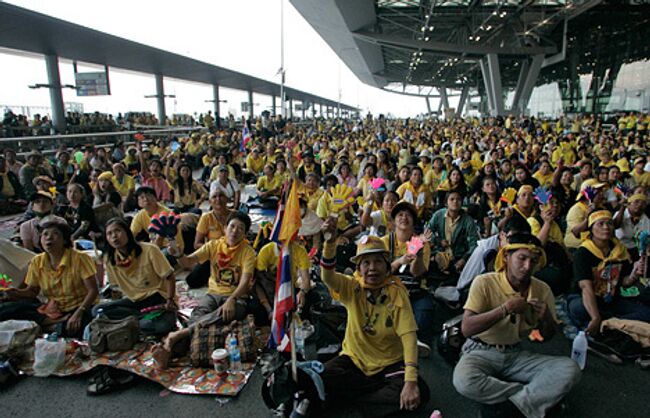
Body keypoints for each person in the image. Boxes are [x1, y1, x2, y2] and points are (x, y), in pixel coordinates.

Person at [453, 233, 581, 418]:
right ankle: (532, 396)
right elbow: (467, 328)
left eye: (533, 261)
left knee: (570, 369)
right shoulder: (485, 282)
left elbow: (546, 337)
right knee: (464, 380)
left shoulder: (542, 289)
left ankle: (511, 407)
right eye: (522, 258)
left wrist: (546, 318)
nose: (527, 266)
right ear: (506, 257)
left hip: (515, 353)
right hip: (480, 350)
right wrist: (504, 309)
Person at [318, 219, 430, 417]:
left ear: (387, 266)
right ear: (359, 269)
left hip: (390, 365)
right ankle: (370, 405)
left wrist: (410, 381)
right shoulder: (352, 287)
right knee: (323, 376)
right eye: (366, 262)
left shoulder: (397, 292)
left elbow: (409, 337)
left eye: (378, 261)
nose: (372, 268)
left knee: (420, 392)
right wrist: (329, 243)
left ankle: (354, 403)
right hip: (355, 361)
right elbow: (327, 277)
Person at [0, 217, 98, 338]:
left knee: (81, 327)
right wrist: (13, 293)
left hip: (80, 307)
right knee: (8, 309)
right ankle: (51, 324)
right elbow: (32, 292)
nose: (49, 238)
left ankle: (50, 326)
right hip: (53, 309)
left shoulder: (80, 259)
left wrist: (79, 312)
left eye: (55, 234)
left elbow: (93, 290)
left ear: (64, 240)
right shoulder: (37, 261)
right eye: (45, 234)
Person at [567, 210, 650, 334]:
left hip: (610, 299)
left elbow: (623, 283)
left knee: (646, 313)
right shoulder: (583, 253)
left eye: (610, 223)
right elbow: (586, 287)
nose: (606, 227)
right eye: (600, 224)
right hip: (585, 298)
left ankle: (610, 324)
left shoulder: (620, 251)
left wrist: (634, 274)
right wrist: (595, 316)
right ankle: (610, 322)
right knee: (579, 308)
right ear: (591, 228)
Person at [93, 218, 177, 336]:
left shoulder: (149, 250)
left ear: (127, 232)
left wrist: (170, 299)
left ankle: (132, 324)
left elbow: (170, 276)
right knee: (98, 310)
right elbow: (115, 290)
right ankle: (135, 322)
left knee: (160, 325)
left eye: (118, 231)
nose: (114, 236)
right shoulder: (110, 259)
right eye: (109, 233)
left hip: (158, 299)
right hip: (134, 303)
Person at [381, 201, 434, 353]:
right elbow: (380, 273)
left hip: (415, 291)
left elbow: (417, 273)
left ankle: (416, 342)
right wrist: (399, 261)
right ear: (393, 220)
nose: (404, 218)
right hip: (390, 289)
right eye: (400, 215)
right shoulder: (384, 242)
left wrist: (417, 254)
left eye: (408, 215)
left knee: (425, 309)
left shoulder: (421, 242)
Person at [426, 190, 479, 283]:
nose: (455, 202)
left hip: (458, 257)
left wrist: (464, 259)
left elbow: (474, 243)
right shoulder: (439, 215)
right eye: (452, 199)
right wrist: (438, 241)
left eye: (458, 199)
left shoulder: (468, 220)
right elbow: (427, 231)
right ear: (446, 203)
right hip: (440, 254)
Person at [185, 188, 232, 288]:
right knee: (192, 281)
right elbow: (197, 244)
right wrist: (214, 251)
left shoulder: (235, 216)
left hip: (234, 254)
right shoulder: (206, 218)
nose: (218, 199)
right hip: (213, 256)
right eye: (214, 197)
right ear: (210, 201)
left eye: (221, 196)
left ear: (227, 199)